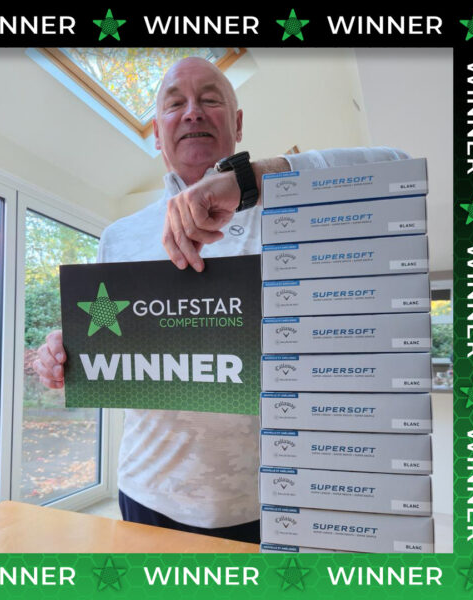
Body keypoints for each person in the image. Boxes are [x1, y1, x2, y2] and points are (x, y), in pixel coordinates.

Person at [33, 56, 409, 543]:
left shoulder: (292, 210)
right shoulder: (118, 237)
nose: (192, 111)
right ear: (156, 133)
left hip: (268, 502)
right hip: (145, 494)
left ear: (237, 123)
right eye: (175, 104)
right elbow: (109, 344)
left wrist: (249, 179)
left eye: (210, 99)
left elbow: (397, 166)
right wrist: (65, 353)